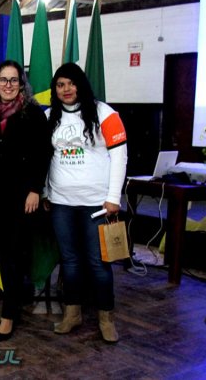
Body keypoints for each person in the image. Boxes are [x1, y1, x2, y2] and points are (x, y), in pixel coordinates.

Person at [46, 63, 128, 343]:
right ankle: (72, 314)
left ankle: (106, 319)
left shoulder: (105, 113)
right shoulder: (49, 116)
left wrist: (113, 197)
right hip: (61, 203)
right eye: (60, 85)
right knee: (69, 262)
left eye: (71, 83)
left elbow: (119, 157)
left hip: (97, 204)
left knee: (98, 263)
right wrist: (45, 192)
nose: (66, 89)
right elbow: (44, 158)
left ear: (80, 84)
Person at [0, 60, 52, 341]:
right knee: (4, 253)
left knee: (15, 253)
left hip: (23, 196)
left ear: (22, 84)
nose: (8, 85)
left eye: (13, 80)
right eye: (3, 79)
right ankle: (12, 306)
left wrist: (35, 189)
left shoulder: (33, 113)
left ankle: (9, 314)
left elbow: (43, 154)